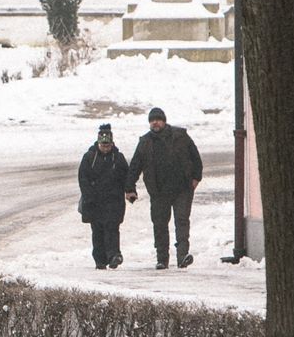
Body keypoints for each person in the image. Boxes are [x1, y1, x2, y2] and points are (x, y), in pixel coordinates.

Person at [126, 107, 203, 269]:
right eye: (152, 120)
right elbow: (135, 166)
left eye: (158, 119)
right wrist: (130, 188)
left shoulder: (180, 136)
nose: (155, 122)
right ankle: (162, 259)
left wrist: (196, 178)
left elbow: (196, 158)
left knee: (181, 221)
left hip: (182, 188)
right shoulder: (145, 142)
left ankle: (182, 256)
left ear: (164, 121)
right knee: (160, 224)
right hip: (158, 191)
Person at [77, 123, 129, 269]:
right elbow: (83, 178)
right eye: (103, 145)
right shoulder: (89, 157)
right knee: (98, 231)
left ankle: (114, 256)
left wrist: (129, 190)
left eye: (108, 145)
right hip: (95, 202)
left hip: (113, 201)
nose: (105, 148)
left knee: (112, 228)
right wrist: (88, 196)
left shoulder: (118, 158)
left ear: (112, 144)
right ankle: (100, 260)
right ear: (98, 143)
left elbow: (127, 176)